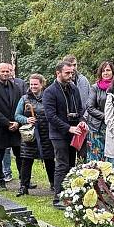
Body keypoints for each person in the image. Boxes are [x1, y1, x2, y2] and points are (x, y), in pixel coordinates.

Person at [44, 61, 86, 207]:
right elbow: (50, 116)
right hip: (58, 134)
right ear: (58, 73)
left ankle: (69, 195)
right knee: (62, 164)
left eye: (72, 73)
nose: (70, 75)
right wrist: (68, 128)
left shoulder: (74, 88)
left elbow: (80, 109)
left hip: (74, 132)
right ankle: (58, 198)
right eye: (67, 73)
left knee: (71, 165)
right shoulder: (50, 91)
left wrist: (81, 121)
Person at [14, 74, 55, 196]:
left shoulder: (49, 97)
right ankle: (23, 186)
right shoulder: (24, 98)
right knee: (26, 160)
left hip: (46, 133)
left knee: (49, 159)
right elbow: (17, 115)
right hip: (30, 135)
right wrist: (26, 120)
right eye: (31, 84)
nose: (33, 86)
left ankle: (53, 184)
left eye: (35, 84)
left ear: (42, 84)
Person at [86, 61, 114, 162]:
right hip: (97, 127)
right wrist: (105, 116)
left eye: (108, 70)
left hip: (112, 126)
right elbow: (90, 107)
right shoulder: (95, 87)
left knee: (110, 156)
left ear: (113, 72)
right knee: (96, 157)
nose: (106, 73)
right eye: (103, 71)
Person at [2, 64, 26, 182]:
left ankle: (23, 177)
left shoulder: (19, 84)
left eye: (10, 70)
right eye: (6, 71)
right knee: (5, 151)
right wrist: (7, 122)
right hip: (3, 123)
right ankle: (6, 173)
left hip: (17, 122)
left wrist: (17, 121)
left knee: (19, 151)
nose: (8, 73)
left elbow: (24, 100)